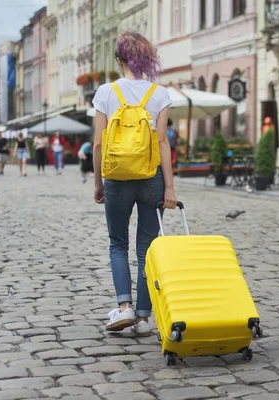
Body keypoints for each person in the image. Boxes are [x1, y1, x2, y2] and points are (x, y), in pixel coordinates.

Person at [92, 31, 178, 336]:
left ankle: (124, 309)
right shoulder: (160, 93)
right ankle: (143, 319)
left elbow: (99, 144)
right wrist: (169, 187)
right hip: (151, 177)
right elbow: (164, 143)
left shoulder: (105, 92)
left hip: (116, 175)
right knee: (147, 248)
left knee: (118, 243)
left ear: (119, 60)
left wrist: (98, 183)